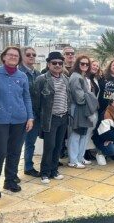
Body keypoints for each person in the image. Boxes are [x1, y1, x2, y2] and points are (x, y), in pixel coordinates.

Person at [0, 46, 34, 199]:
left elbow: (26, 97)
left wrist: (30, 117)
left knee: (15, 151)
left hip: (19, 119)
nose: (13, 57)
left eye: (16, 55)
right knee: (0, 152)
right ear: (4, 57)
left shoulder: (22, 76)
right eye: (10, 55)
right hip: (0, 120)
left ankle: (10, 180)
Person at [33, 52, 70, 184]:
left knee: (58, 145)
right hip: (50, 119)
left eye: (60, 63)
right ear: (48, 64)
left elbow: (68, 98)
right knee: (49, 146)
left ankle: (54, 170)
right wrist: (41, 116)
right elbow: (36, 102)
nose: (57, 65)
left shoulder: (66, 79)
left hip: (63, 117)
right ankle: (45, 173)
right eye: (54, 63)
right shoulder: (42, 79)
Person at [67, 56, 97, 169]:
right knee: (75, 134)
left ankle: (79, 158)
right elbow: (80, 98)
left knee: (82, 134)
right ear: (77, 64)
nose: (85, 65)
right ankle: (73, 160)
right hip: (77, 108)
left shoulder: (82, 76)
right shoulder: (76, 77)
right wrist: (90, 97)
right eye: (82, 63)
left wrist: (87, 95)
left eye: (87, 64)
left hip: (83, 108)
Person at [19, 46, 42, 177]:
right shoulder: (19, 73)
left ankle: (28, 166)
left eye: (34, 54)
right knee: (16, 146)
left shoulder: (38, 74)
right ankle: (11, 174)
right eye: (28, 54)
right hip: (22, 115)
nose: (32, 56)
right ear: (22, 57)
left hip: (35, 115)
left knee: (30, 143)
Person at [84, 59, 101, 161]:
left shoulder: (95, 78)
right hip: (88, 108)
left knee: (91, 131)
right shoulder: (85, 78)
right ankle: (83, 152)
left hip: (95, 108)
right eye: (94, 65)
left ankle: (88, 151)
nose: (95, 67)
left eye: (97, 66)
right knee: (86, 131)